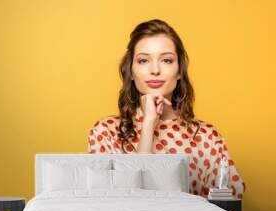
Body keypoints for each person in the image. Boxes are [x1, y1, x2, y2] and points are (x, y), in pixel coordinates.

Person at [87, 19, 245, 199]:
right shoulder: (106, 131)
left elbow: (227, 206)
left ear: (179, 71)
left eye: (167, 60)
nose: (155, 70)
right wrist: (148, 125)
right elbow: (123, 200)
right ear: (131, 71)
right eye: (144, 60)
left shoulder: (206, 136)